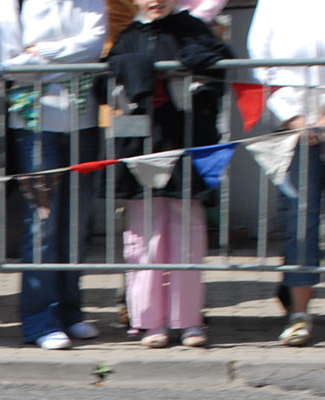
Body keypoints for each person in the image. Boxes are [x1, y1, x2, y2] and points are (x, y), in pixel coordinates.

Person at [107, 0, 229, 349]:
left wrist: (193, 57)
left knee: (187, 237)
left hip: (187, 145)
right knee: (142, 240)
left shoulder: (193, 28)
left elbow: (217, 62)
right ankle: (148, 322)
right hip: (140, 150)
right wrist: (133, 69)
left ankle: (189, 321)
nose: (155, 0)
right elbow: (106, 81)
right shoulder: (129, 35)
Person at [0, 0, 106, 350]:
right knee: (42, 222)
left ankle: (71, 311)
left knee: (75, 220)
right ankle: (40, 319)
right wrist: (67, 59)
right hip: (35, 122)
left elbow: (96, 43)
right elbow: (11, 61)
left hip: (83, 119)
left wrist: (42, 53)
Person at [249, 0, 325, 348]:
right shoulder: (272, 4)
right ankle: (299, 315)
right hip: (293, 124)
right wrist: (296, 121)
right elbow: (261, 66)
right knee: (300, 221)